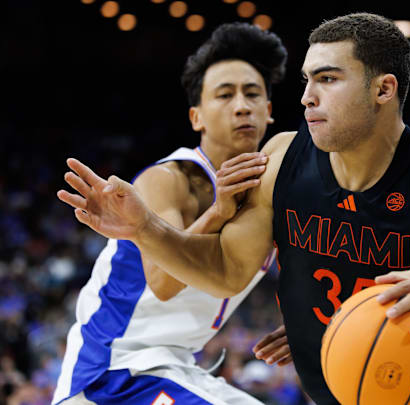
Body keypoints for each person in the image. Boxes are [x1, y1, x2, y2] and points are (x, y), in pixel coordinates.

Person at [57, 13, 410, 405]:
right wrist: (145, 227)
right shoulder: (279, 160)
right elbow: (228, 272)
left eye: (327, 79)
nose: (305, 97)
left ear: (383, 89)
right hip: (339, 378)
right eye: (305, 80)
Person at [52, 22, 286, 405]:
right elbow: (163, 283)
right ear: (197, 118)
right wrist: (218, 211)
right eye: (224, 95)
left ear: (269, 110)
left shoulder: (272, 188)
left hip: (172, 367)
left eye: (252, 93)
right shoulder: (172, 178)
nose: (241, 105)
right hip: (112, 371)